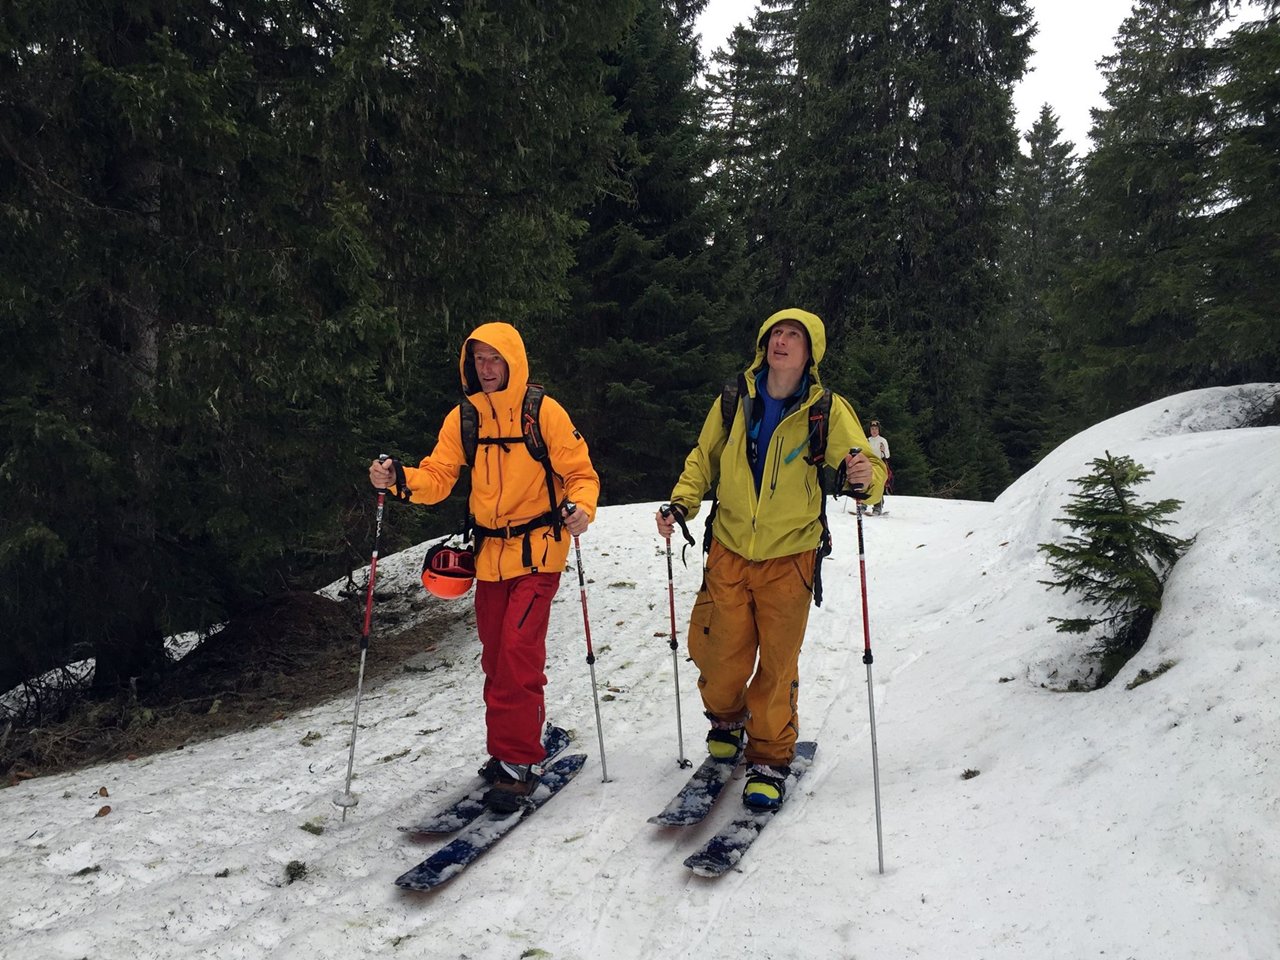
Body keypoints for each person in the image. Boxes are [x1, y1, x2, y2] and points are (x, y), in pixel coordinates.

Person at [655, 308, 886, 809]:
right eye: (775, 333)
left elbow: (865, 465)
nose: (781, 342)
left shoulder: (825, 408)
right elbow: (704, 457)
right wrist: (681, 501)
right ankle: (728, 719)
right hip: (730, 549)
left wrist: (867, 481)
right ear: (764, 344)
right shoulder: (734, 397)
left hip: (791, 556)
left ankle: (769, 758)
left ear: (810, 352)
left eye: (793, 336)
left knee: (778, 666)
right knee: (717, 653)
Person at [369, 322, 599, 812]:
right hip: (490, 557)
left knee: (517, 652)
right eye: (479, 360)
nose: (487, 369)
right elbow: (437, 476)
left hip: (539, 550)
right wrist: (399, 479)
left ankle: (519, 761)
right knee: (496, 659)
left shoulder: (543, 412)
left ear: (512, 361)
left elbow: (580, 471)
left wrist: (580, 507)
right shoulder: (465, 418)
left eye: (495, 359)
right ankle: (506, 751)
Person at [866, 420, 891, 516]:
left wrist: (883, 450)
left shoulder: (883, 441)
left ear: (879, 430)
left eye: (876, 429)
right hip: (870, 465)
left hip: (880, 465)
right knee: (867, 484)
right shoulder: (867, 440)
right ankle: (863, 505)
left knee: (879, 485)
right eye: (872, 429)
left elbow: (887, 455)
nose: (874, 431)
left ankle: (878, 507)